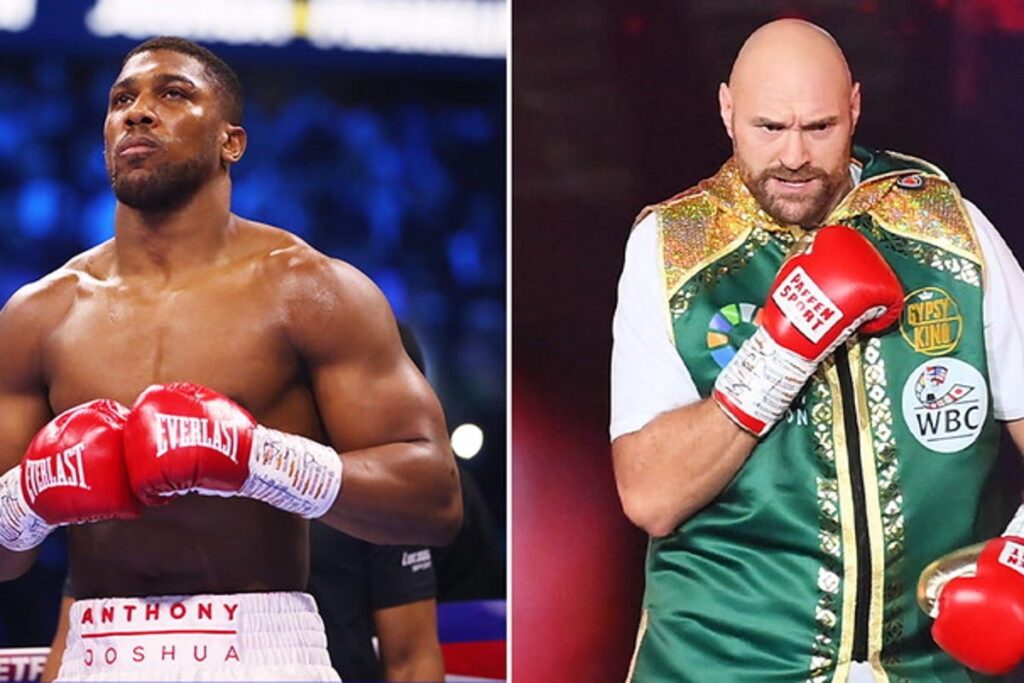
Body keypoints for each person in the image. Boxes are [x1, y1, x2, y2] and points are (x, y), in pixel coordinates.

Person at [0, 35, 461, 682]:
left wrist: (257, 460)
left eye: (173, 94)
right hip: (96, 656)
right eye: (122, 99)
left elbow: (436, 498)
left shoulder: (309, 291)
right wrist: (27, 498)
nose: (138, 111)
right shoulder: (39, 315)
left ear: (231, 142)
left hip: (263, 651)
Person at [610, 18, 1024, 682]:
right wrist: (779, 352)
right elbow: (650, 495)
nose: (795, 155)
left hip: (931, 664)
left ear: (854, 107)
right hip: (723, 666)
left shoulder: (950, 231)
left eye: (820, 127)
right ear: (727, 111)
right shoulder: (672, 248)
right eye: (770, 127)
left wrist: (1019, 555)